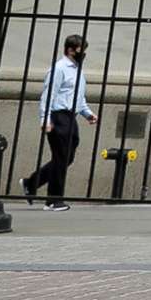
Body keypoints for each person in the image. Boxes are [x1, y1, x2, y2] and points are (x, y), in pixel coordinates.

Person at [24, 35, 98, 211]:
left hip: (71, 116)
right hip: (58, 116)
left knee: (67, 157)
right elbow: (48, 94)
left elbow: (78, 96)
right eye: (81, 50)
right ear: (70, 50)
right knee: (61, 157)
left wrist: (87, 113)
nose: (84, 53)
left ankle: (31, 183)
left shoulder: (77, 70)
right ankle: (53, 200)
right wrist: (45, 118)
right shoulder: (59, 68)